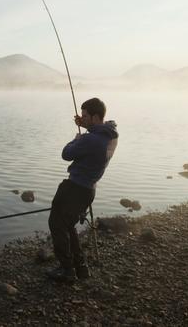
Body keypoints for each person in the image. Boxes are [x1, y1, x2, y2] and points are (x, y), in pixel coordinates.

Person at [46, 97, 118, 282]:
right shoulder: (109, 135)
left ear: (95, 117)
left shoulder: (89, 140)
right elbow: (98, 131)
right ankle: (80, 268)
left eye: (85, 116)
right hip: (88, 190)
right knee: (68, 226)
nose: (82, 118)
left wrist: (76, 138)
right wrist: (85, 126)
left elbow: (66, 154)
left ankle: (67, 270)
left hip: (75, 188)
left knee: (57, 224)